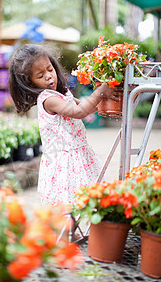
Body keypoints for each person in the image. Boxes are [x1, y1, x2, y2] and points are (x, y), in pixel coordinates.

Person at [9, 44, 117, 205]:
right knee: (68, 207)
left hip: (78, 154)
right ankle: (67, 230)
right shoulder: (48, 99)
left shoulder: (62, 93)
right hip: (64, 163)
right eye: (40, 75)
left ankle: (87, 229)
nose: (48, 76)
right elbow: (78, 112)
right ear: (30, 83)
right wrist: (100, 92)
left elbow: (85, 107)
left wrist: (107, 103)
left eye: (50, 69)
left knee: (90, 200)